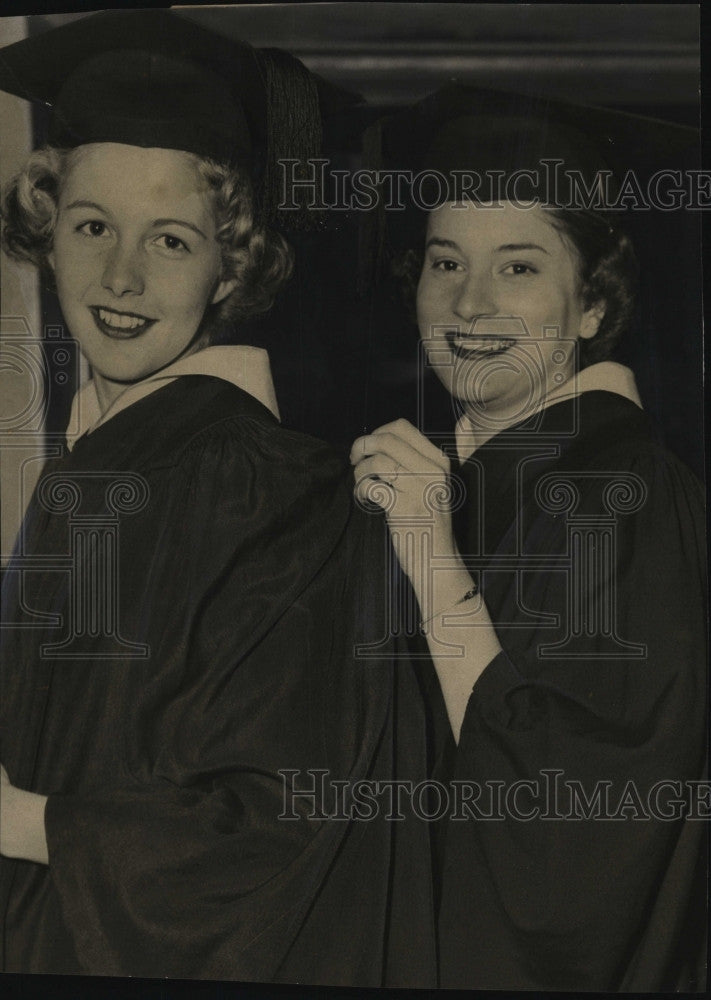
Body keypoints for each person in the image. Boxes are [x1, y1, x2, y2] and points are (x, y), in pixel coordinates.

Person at [0, 11, 436, 984]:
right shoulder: (96, 470)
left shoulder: (276, 494)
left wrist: (26, 822)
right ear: (46, 228)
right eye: (92, 226)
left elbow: (281, 819)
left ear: (231, 261)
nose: (120, 276)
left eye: (170, 239)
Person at [351, 87, 707, 990]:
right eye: (444, 262)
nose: (468, 303)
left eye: (517, 268)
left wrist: (430, 553)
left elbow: (570, 826)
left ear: (591, 305)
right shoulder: (448, 480)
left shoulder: (625, 499)